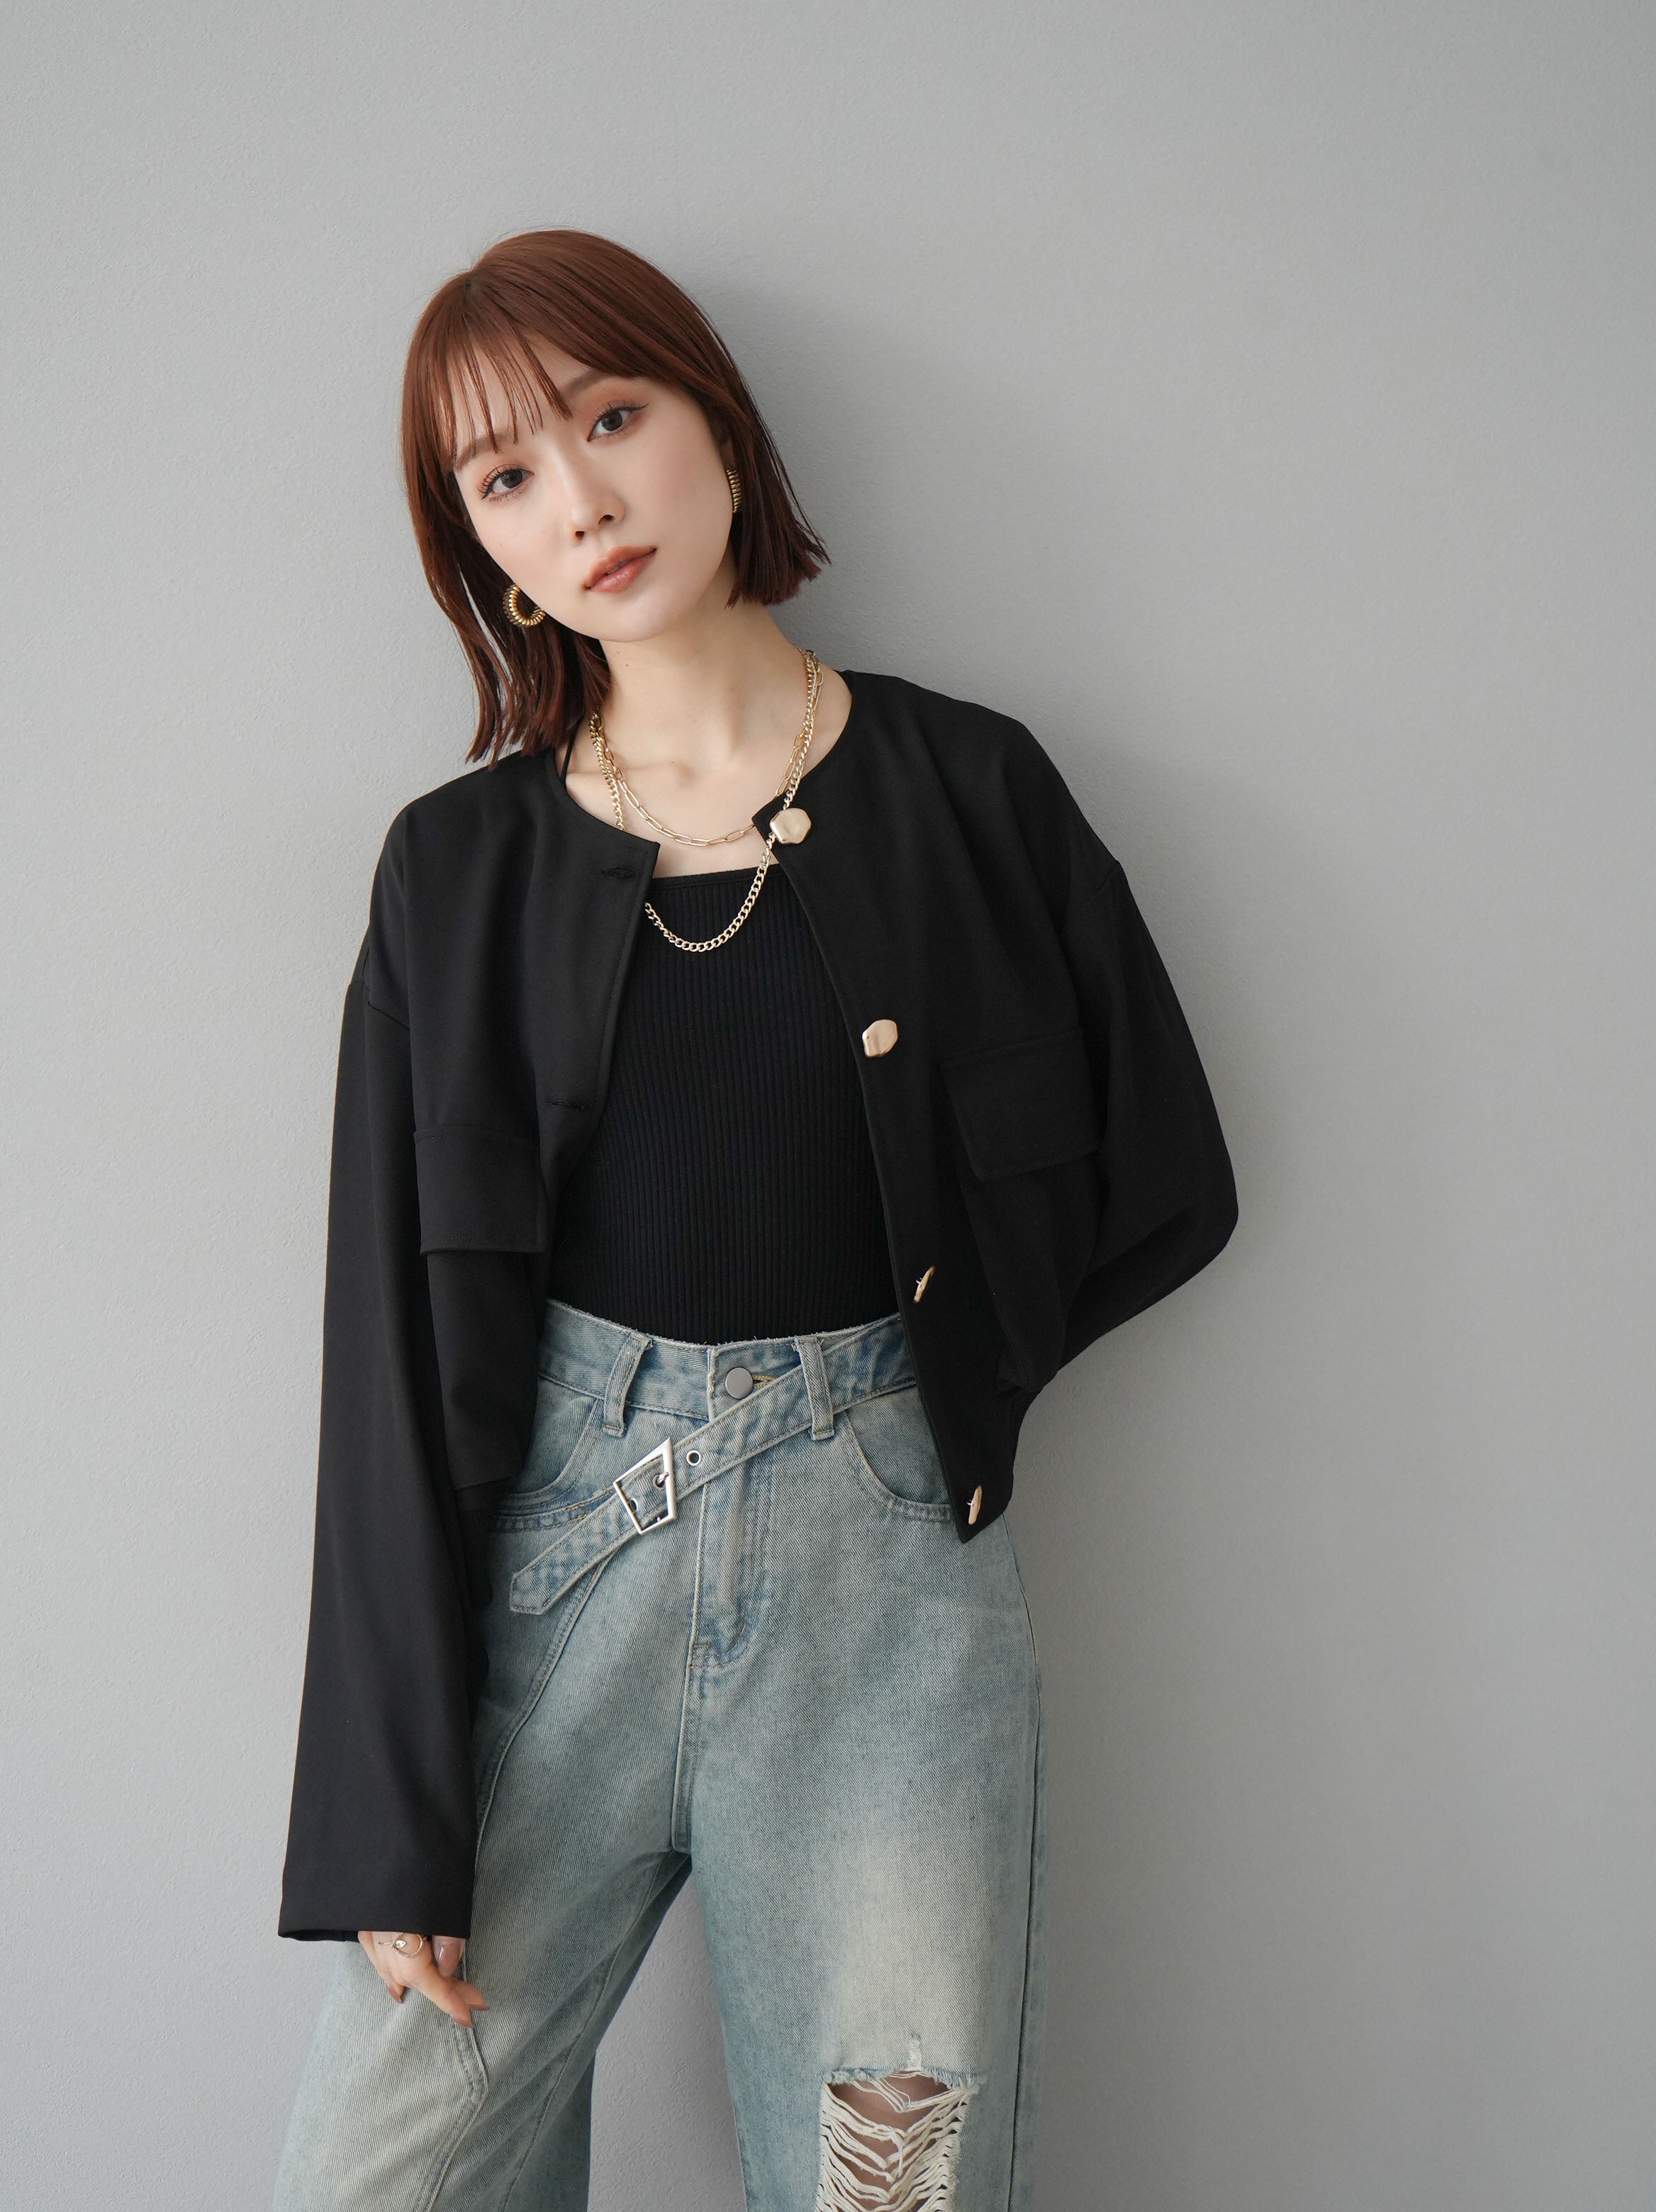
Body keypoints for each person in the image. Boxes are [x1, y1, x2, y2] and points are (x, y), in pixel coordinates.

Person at [271, 228, 1238, 2211]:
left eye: (612, 418)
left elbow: (1161, 1173)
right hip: (552, 1593)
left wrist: (910, 1404)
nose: (583, 501)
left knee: (896, 2187)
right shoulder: (454, 873)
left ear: (717, 424)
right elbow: (388, 1356)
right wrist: (384, 1819)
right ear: (480, 547)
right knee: (377, 2180)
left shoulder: (974, 793)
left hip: (888, 1621)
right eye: (507, 476)